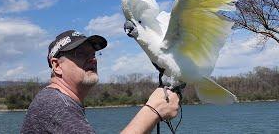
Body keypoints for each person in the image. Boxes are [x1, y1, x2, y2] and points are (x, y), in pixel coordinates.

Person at [20, 30, 180, 134]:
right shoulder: (55, 105)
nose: (93, 60)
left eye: (94, 54)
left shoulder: (58, 101)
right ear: (56, 66)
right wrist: (153, 110)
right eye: (81, 53)